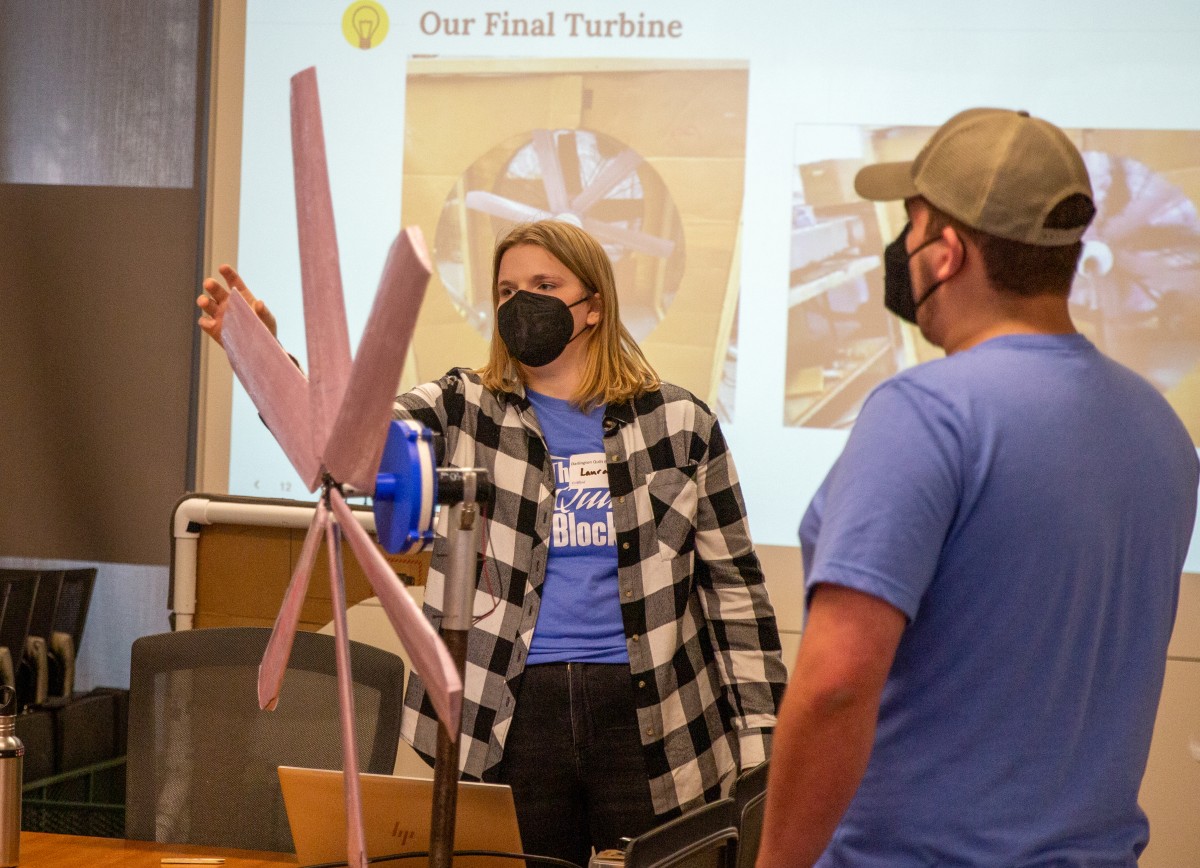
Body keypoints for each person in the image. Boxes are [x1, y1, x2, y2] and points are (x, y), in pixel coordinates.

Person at [199, 219, 787, 867]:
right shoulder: (461, 406)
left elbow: (736, 591)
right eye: (507, 290)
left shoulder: (680, 422)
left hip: (656, 712)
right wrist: (263, 356)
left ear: (593, 306)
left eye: (544, 284)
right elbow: (349, 442)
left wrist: (762, 739)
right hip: (512, 713)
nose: (520, 303)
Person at [757, 108, 1199, 867]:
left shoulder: (924, 413)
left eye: (911, 226)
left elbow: (835, 685)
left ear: (946, 252)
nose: (901, 249)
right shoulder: (1160, 428)